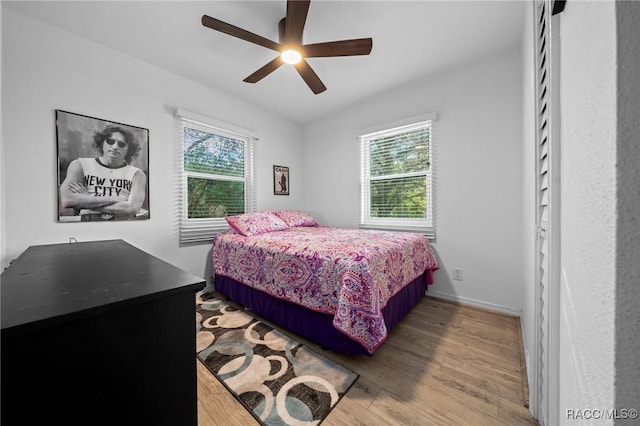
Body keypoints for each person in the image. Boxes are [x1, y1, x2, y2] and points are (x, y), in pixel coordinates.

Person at [59, 125, 147, 221]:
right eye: (110, 141)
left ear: (129, 149)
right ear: (102, 143)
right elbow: (67, 200)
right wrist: (114, 199)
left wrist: (88, 200)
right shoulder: (80, 165)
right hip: (87, 222)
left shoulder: (137, 174)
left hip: (122, 222)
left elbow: (132, 208)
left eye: (121, 144)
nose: (115, 146)